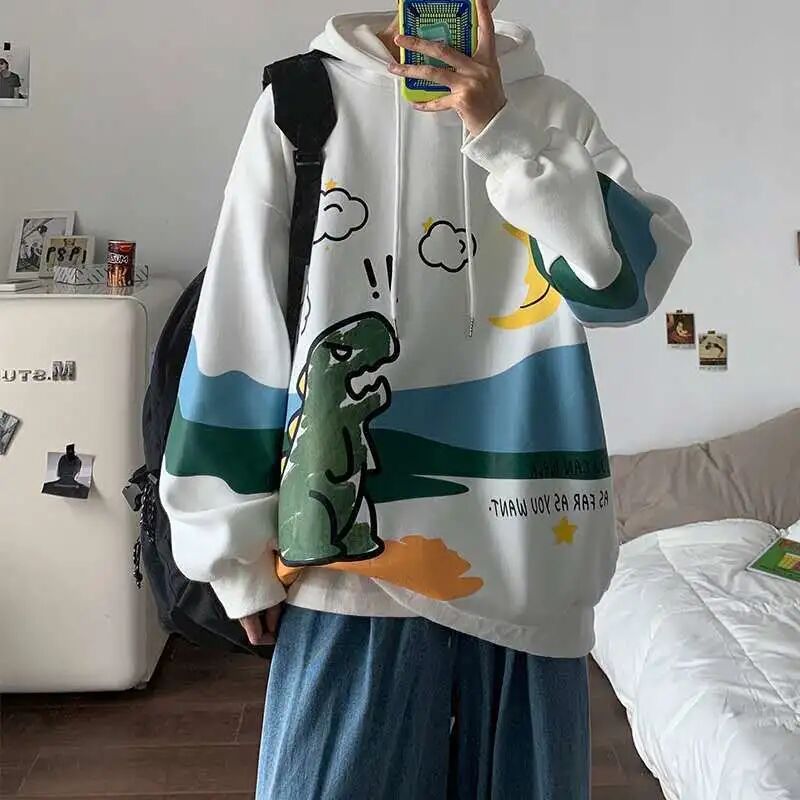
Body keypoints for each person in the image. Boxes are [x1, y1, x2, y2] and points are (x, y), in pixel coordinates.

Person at [160, 1, 691, 797]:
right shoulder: (303, 104)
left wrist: (503, 132)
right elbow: (238, 321)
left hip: (531, 560)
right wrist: (229, 549)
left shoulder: (551, 111)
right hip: (349, 574)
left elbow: (624, 289)